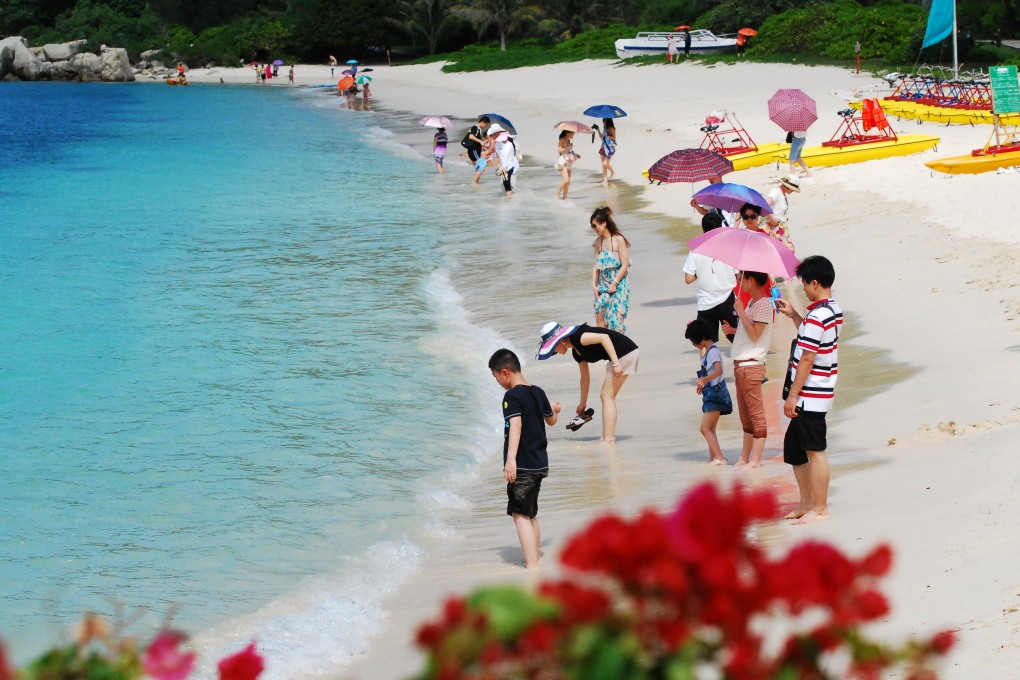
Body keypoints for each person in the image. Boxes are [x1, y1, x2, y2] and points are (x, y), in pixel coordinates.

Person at [775, 255, 842, 524]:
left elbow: (807, 358)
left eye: (804, 284)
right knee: (794, 449)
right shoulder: (829, 309)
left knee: (815, 450)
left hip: (811, 394)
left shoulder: (820, 315)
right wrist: (794, 315)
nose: (803, 288)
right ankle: (806, 502)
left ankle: (821, 508)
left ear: (815, 283)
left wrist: (793, 396)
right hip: (814, 392)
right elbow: (808, 337)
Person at [488, 348, 560, 569]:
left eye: (496, 377)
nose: (498, 382)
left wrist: (511, 461)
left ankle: (532, 564)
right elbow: (551, 420)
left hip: (524, 464)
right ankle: (534, 557)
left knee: (520, 514)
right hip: (540, 462)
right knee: (530, 514)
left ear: (505, 372)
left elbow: (516, 425)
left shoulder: (511, 396)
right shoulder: (538, 392)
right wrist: (555, 409)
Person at [537, 322, 639, 446]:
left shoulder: (578, 337)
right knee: (606, 396)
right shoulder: (576, 351)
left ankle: (609, 439)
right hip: (619, 356)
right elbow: (585, 377)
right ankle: (605, 437)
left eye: (553, 348)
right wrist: (582, 403)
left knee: (607, 396)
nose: (555, 352)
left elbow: (604, 338)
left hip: (625, 353)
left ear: (559, 341)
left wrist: (616, 363)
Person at [721, 271, 773, 467]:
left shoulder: (764, 304)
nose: (738, 281)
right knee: (745, 417)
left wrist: (740, 312)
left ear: (751, 280)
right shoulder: (753, 303)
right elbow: (750, 331)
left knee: (756, 415)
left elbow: (756, 335)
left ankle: (756, 460)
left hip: (751, 366)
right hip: (742, 365)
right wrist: (734, 330)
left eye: (741, 277)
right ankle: (745, 458)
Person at [683, 212, 738, 342]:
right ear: (719, 227)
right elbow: (738, 275)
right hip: (728, 299)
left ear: (703, 229)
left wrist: (701, 271)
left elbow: (688, 279)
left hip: (706, 303)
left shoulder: (696, 248)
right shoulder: (730, 246)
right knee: (737, 340)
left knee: (705, 343)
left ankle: (709, 363)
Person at [685, 319, 732, 465]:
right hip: (711, 393)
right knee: (710, 428)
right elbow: (708, 372)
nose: (693, 344)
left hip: (716, 395)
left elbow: (718, 370)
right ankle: (714, 457)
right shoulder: (707, 351)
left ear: (702, 337)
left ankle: (719, 458)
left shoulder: (713, 352)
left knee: (704, 428)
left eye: (694, 341)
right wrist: (702, 384)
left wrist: (706, 379)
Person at [590, 206, 630, 333]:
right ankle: (605, 350)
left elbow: (625, 265)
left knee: (615, 322)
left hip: (619, 285)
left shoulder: (619, 240)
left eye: (595, 225)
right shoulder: (598, 242)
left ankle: (620, 349)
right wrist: (594, 285)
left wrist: (615, 283)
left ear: (604, 223)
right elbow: (596, 265)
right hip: (603, 285)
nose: (593, 229)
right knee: (600, 319)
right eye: (592, 226)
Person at [765, 176, 799, 250]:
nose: (793, 191)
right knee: (785, 251)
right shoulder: (776, 192)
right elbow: (765, 205)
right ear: (787, 187)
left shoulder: (781, 193)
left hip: (779, 228)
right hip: (774, 228)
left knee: (788, 251)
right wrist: (772, 219)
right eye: (792, 189)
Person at [555, 130, 579, 200]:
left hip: (568, 161)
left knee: (568, 181)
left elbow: (569, 151)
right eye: (572, 133)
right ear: (568, 133)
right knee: (565, 180)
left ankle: (565, 197)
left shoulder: (568, 140)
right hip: (563, 161)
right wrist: (568, 147)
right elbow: (559, 150)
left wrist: (575, 155)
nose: (573, 135)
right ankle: (556, 195)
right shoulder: (562, 139)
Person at [494, 130, 519, 197]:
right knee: (506, 183)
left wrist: (504, 168)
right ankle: (509, 198)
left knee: (506, 184)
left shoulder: (508, 145)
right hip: (509, 166)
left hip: (507, 167)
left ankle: (508, 199)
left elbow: (505, 157)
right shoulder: (509, 144)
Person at [467, 116, 492, 184]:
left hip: (474, 151)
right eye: (486, 124)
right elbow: (470, 136)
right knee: (482, 167)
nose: (486, 126)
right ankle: (474, 182)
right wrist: (480, 141)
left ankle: (476, 183)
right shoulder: (475, 127)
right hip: (473, 151)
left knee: (478, 168)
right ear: (482, 122)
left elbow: (477, 140)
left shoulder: (479, 129)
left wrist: (483, 142)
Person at [593, 119, 616, 185]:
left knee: (605, 163)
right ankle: (605, 180)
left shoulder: (612, 128)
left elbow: (614, 138)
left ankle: (613, 172)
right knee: (603, 165)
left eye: (604, 122)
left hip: (609, 148)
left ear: (608, 122)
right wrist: (598, 130)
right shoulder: (604, 128)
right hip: (603, 147)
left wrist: (608, 134)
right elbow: (602, 138)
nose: (603, 124)